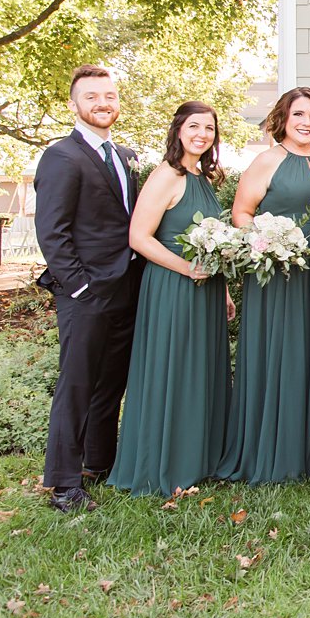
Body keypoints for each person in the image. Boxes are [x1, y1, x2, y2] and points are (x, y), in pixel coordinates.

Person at [107, 102, 235, 496]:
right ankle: (161, 465)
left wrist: (225, 288)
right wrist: (186, 269)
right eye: (194, 126)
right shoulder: (167, 175)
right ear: (178, 130)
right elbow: (139, 238)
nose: (202, 134)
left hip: (206, 288)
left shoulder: (202, 177)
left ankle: (196, 459)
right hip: (173, 288)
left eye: (209, 128)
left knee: (199, 370)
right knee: (173, 369)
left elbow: (212, 240)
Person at [217, 88, 310, 484]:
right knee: (285, 353)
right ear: (283, 119)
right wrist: (269, 244)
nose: (307, 123)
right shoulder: (267, 160)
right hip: (280, 273)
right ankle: (278, 451)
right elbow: (242, 212)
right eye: (299, 115)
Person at [35, 65, 143, 512]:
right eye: (93, 96)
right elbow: (52, 231)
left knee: (110, 384)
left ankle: (98, 462)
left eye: (110, 96)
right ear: (74, 104)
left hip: (125, 288)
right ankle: (63, 484)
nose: (103, 103)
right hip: (86, 292)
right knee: (77, 384)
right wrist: (78, 287)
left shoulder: (122, 155)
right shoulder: (62, 155)